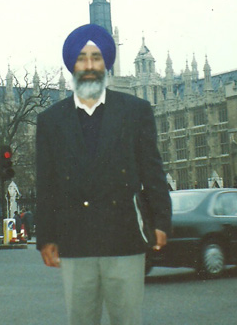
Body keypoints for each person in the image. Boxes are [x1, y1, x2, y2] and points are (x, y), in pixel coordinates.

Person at [35, 23, 172, 324]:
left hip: (124, 238)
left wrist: (161, 219)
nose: (89, 66)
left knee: (127, 320)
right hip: (75, 241)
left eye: (96, 58)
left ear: (106, 64)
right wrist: (45, 236)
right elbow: (46, 185)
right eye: (82, 58)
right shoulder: (50, 121)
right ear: (72, 64)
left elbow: (152, 170)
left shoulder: (135, 110)